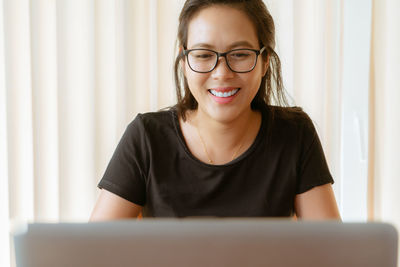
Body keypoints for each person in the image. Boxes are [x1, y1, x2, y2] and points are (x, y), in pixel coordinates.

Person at [90, 0, 340, 221]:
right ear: (184, 61)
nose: (222, 73)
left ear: (265, 61)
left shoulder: (295, 135)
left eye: (240, 54)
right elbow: (93, 254)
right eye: (203, 55)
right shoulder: (146, 138)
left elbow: (332, 254)